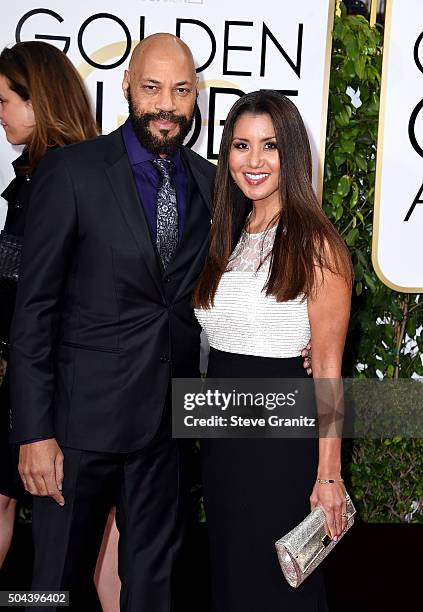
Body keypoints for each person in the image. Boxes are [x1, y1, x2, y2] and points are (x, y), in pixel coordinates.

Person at [8, 33, 215, 611]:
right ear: (127, 85)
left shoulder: (209, 182)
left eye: (180, 90)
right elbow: (34, 312)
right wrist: (33, 432)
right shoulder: (73, 171)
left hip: (163, 437)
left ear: (195, 95)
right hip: (77, 431)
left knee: (154, 587)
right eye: (152, 88)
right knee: (48, 584)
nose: (166, 105)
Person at [193, 90, 353, 611]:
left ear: (293, 154)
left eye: (270, 146)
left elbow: (327, 370)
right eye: (241, 145)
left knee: (281, 587)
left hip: (281, 444)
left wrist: (328, 476)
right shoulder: (230, 234)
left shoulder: (317, 243)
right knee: (232, 578)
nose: (254, 161)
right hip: (223, 442)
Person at [0, 41, 98, 569]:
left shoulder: (56, 182)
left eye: (4, 102)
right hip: (39, 382)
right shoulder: (41, 180)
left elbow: (35, 300)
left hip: (47, 386)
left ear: (37, 102)